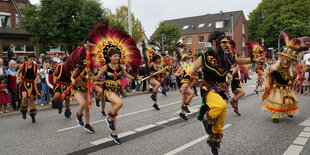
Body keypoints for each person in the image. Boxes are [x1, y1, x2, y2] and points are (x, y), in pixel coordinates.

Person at [188, 31, 266, 154]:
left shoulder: (227, 56)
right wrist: (186, 83)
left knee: (220, 119)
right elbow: (192, 69)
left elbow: (239, 60)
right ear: (215, 42)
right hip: (208, 89)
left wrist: (253, 59)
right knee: (220, 106)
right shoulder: (204, 55)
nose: (227, 45)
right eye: (223, 42)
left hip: (222, 90)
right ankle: (206, 119)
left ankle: (214, 144)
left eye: (227, 42)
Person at [94, 48, 141, 144]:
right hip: (108, 91)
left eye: (118, 56)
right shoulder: (106, 67)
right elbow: (96, 77)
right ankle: (109, 119)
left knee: (114, 114)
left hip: (116, 92)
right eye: (115, 56)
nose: (117, 57)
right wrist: (89, 76)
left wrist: (137, 77)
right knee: (120, 103)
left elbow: (127, 75)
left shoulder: (120, 67)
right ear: (110, 57)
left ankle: (114, 134)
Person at [261, 32, 308, 123]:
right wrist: (267, 77)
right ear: (281, 58)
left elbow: (294, 77)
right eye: (284, 58)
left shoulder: (292, 69)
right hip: (277, 87)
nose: (285, 61)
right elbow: (268, 75)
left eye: (288, 60)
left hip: (286, 87)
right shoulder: (275, 67)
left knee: (290, 100)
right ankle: (275, 116)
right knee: (277, 101)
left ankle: (289, 111)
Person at [17, 54, 40, 123]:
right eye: (31, 59)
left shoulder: (35, 66)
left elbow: (36, 75)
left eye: (33, 59)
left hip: (32, 84)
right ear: (28, 59)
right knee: (24, 97)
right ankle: (23, 110)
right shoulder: (23, 65)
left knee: (31, 100)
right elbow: (19, 72)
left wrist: (36, 79)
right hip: (24, 83)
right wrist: (19, 77)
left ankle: (33, 116)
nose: (32, 60)